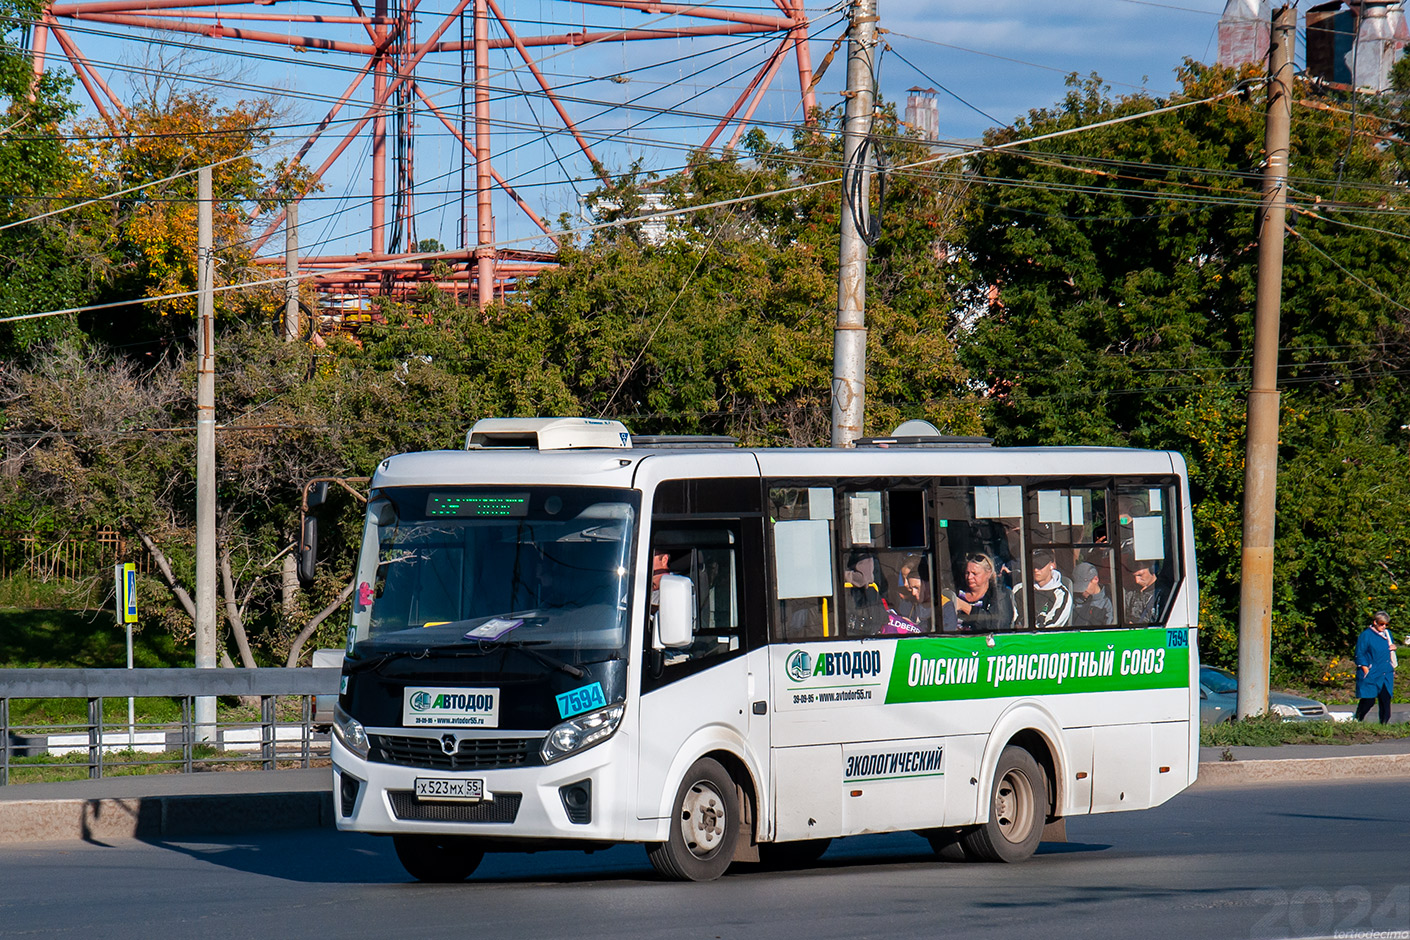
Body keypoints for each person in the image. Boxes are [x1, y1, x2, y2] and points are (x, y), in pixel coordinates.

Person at [1354, 611, 1396, 724]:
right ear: (1375, 622)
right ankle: (1357, 720)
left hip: (1385, 672)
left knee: (1385, 700)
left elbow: (1388, 648)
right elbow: (1360, 653)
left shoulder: (1387, 634)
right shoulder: (1366, 635)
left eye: (1386, 624)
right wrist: (1365, 669)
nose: (1384, 627)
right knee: (1368, 700)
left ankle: (1383, 725)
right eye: (1381, 624)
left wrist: (1392, 648)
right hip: (1372, 672)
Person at [954, 553, 1014, 632]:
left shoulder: (998, 595)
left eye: (974, 574)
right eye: (967, 573)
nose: (969, 577)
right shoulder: (956, 593)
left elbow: (998, 625)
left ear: (988, 573)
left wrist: (965, 607)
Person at [1029, 550, 1072, 628]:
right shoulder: (1020, 589)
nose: (1036, 570)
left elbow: (1052, 626)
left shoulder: (1061, 594)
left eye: (1040, 565)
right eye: (1034, 566)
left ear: (1052, 565)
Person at [1070, 561, 1115, 627]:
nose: (1082, 592)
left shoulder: (1106, 605)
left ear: (1095, 579)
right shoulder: (1074, 600)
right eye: (1078, 587)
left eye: (1084, 586)